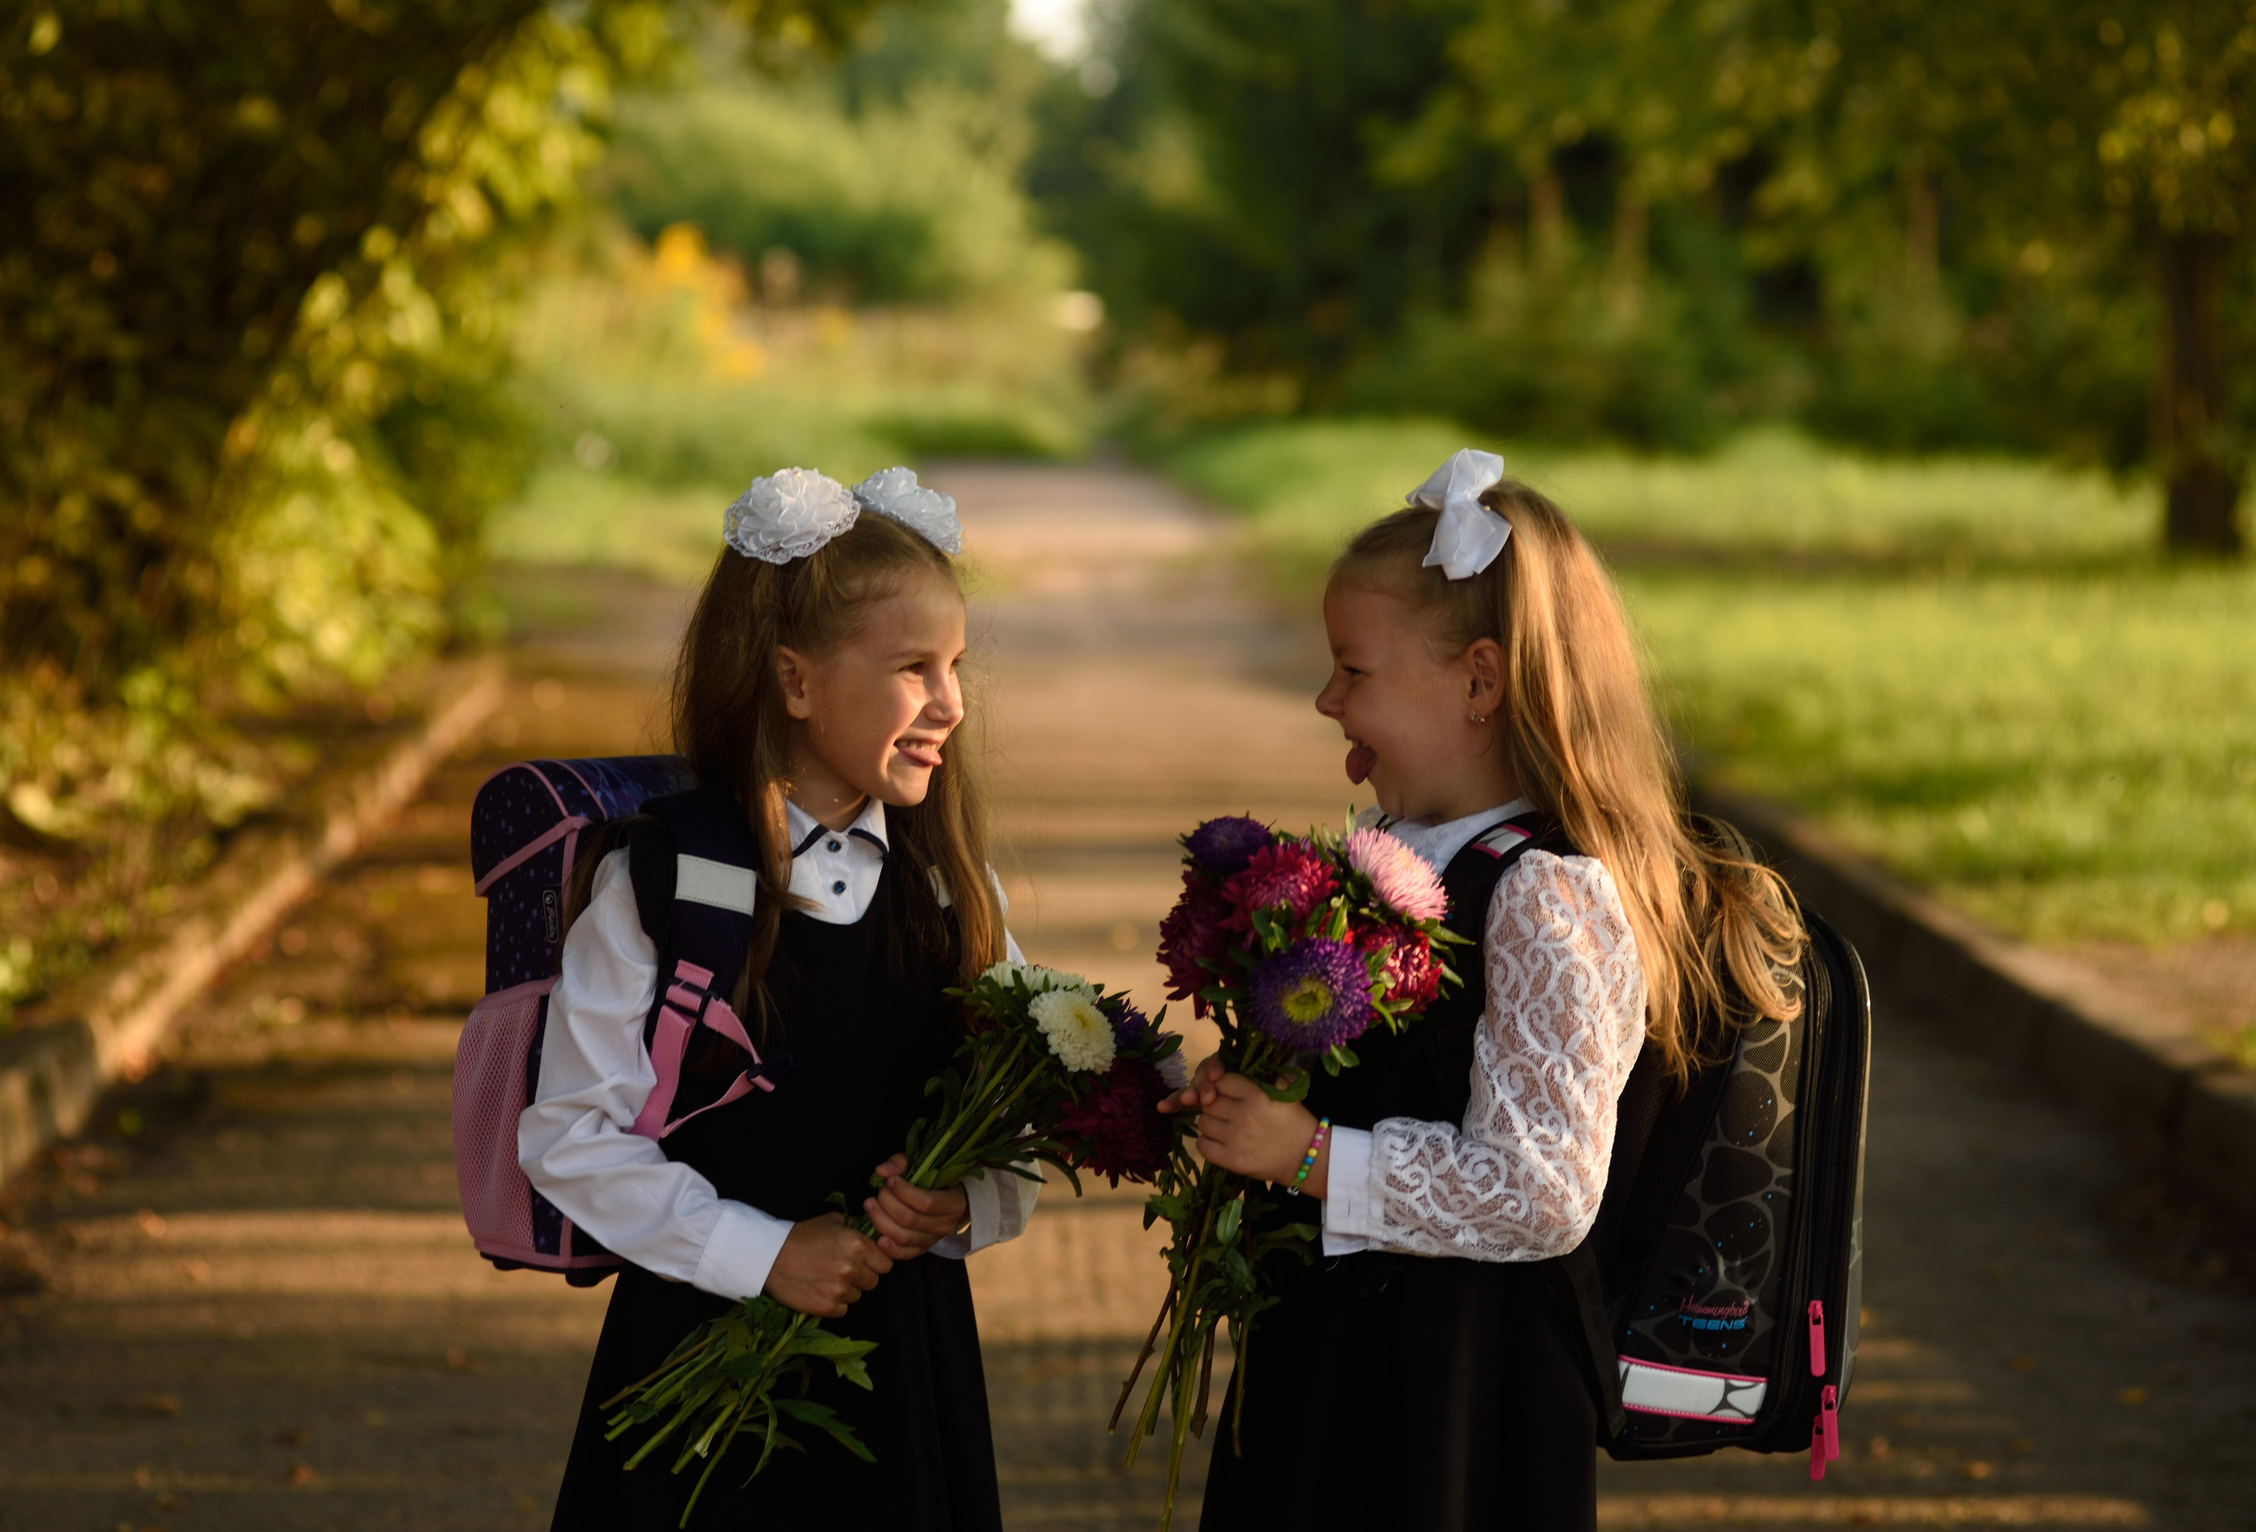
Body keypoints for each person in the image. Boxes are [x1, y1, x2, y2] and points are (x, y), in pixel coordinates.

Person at [1163, 447, 1803, 1530]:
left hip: (1456, 1401)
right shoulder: (1406, 855)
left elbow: (1542, 1188)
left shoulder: (1545, 892)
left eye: (1352, 670)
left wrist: (1312, 1153)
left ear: (1478, 679)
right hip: (1347, 1361)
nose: (1324, 697)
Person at [523, 467, 1036, 1531]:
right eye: (911, 667)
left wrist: (966, 1204)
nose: (948, 702)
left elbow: (1016, 1109)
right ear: (795, 681)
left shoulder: (950, 888)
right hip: (698, 1362)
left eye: (956, 668)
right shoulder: (664, 878)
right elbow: (569, 1133)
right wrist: (763, 1253)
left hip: (903, 1371)